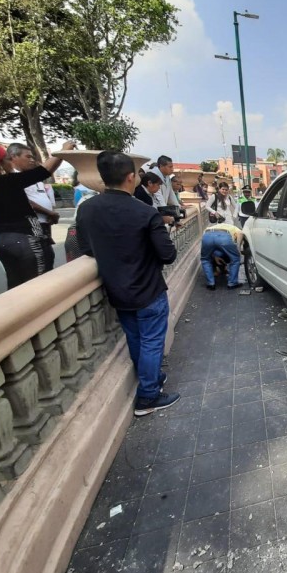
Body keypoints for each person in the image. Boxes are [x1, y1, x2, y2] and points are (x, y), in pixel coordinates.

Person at [76, 151, 180, 417]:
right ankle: (148, 396)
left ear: (103, 178)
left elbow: (86, 248)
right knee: (152, 341)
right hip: (148, 290)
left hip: (117, 291)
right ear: (131, 177)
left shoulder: (87, 209)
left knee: (136, 339)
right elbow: (167, 254)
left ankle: (150, 378)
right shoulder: (144, 212)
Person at [0, 139, 73, 289]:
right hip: (24, 240)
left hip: (2, 240)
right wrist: (63, 150)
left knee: (16, 287)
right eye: (7, 160)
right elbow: (43, 171)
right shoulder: (2, 182)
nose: (9, 163)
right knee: (39, 286)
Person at [7, 143, 59, 268]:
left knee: (48, 257)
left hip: (45, 223)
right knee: (39, 261)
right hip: (31, 227)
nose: (32, 160)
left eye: (32, 157)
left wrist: (50, 213)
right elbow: (25, 201)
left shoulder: (34, 177)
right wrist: (49, 213)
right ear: (14, 157)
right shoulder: (12, 179)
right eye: (28, 157)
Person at [200, 221, 242, 290]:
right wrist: (238, 248)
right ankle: (232, 283)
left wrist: (214, 256)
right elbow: (240, 233)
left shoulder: (215, 226)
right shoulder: (235, 228)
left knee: (205, 259)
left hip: (207, 235)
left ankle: (210, 284)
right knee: (235, 259)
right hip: (224, 236)